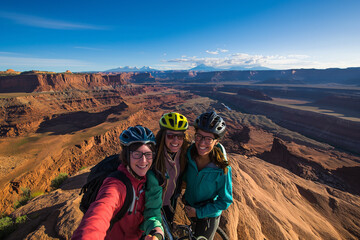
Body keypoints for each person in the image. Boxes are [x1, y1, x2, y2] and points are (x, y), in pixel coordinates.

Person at [72, 125, 163, 240]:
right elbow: (100, 213)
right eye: (137, 154)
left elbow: (151, 215)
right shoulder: (116, 185)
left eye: (148, 154)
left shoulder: (148, 182)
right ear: (126, 156)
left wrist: (157, 233)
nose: (143, 160)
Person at [183, 111, 233, 240]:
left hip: (208, 215)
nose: (201, 143)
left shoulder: (221, 169)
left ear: (216, 141)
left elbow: (225, 201)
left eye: (208, 139)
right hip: (190, 207)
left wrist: (199, 212)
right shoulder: (189, 154)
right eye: (199, 136)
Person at [141, 112, 190, 232]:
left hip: (168, 205)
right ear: (163, 135)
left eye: (180, 136)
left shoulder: (184, 153)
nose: (175, 140)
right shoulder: (152, 156)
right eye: (170, 135)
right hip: (149, 208)